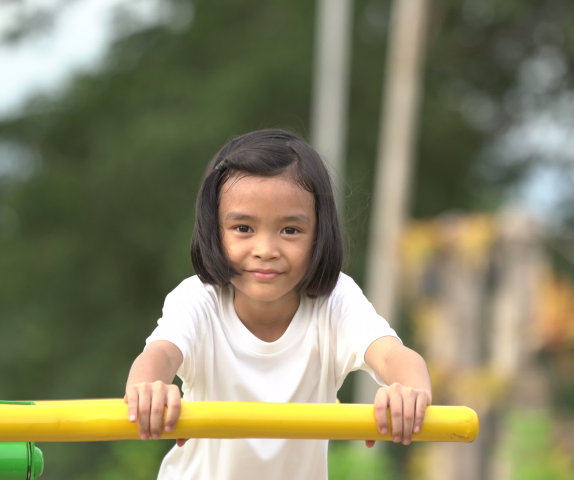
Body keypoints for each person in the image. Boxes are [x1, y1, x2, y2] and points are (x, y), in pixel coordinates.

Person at [124, 129, 432, 479]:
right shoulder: (199, 299)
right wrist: (148, 389)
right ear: (214, 231)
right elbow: (161, 354)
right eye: (243, 228)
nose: (266, 250)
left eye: (290, 230)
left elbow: (393, 355)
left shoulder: (334, 302)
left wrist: (409, 392)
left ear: (320, 235)